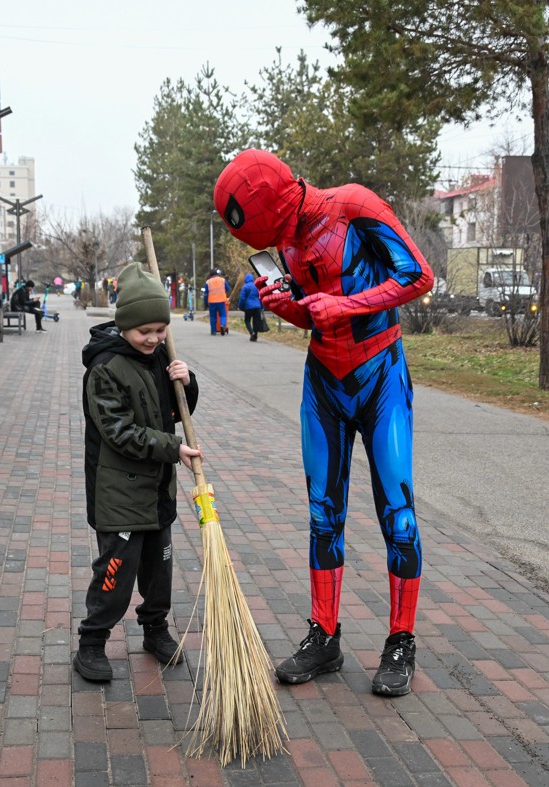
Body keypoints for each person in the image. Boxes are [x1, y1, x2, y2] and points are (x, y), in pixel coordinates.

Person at [214, 149, 434, 696]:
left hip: (381, 374)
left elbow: (419, 275)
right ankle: (325, 636)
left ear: (286, 199)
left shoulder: (354, 205)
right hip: (324, 382)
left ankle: (401, 640)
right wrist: (281, 305)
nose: (282, 242)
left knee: (399, 516)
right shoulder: (286, 241)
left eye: (280, 228)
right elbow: (312, 313)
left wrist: (349, 306)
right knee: (322, 513)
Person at [74, 261, 201, 681]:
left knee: (158, 568)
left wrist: (187, 381)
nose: (154, 338)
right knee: (116, 571)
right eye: (144, 331)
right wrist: (172, 448)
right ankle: (92, 642)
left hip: (157, 490)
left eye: (160, 330)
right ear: (125, 325)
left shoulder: (162, 356)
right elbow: (120, 433)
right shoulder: (105, 368)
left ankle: (156, 629)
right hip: (119, 493)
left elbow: (175, 413)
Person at [203, 268, 231, 335]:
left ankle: (213, 330)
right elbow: (228, 289)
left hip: (212, 302)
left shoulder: (208, 282)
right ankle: (222, 325)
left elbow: (206, 293)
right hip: (221, 300)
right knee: (223, 314)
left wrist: (205, 302)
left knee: (213, 316)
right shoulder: (222, 280)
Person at [238, 272, 264, 342]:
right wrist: (262, 306)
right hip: (257, 307)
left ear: (246, 280)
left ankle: (252, 332)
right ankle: (255, 336)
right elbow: (261, 297)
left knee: (247, 321)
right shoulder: (257, 286)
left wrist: (240, 307)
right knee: (255, 322)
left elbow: (242, 298)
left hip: (249, 307)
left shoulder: (245, 287)